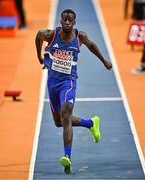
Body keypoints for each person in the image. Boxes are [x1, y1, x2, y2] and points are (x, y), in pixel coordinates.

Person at [35, 9, 112, 174]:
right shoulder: (51, 35)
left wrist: (104, 60)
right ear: (60, 21)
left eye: (70, 20)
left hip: (68, 83)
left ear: (74, 23)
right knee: (59, 122)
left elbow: (91, 45)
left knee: (66, 115)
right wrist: (40, 57)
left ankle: (67, 158)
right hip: (52, 82)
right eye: (65, 20)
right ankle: (91, 123)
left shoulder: (80, 37)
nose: (67, 22)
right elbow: (39, 34)